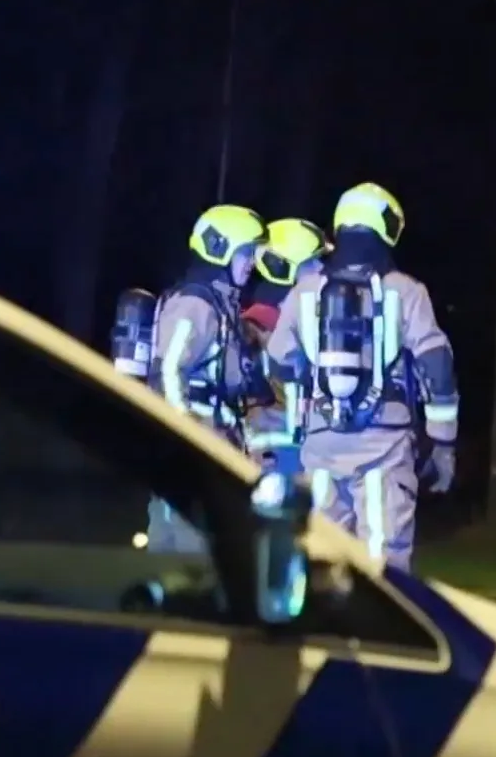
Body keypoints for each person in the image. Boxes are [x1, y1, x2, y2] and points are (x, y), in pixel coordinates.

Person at [265, 183, 459, 569]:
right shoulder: (406, 291)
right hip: (383, 448)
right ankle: (380, 628)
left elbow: (277, 363)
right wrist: (443, 442)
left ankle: (323, 627)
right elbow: (437, 366)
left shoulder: (305, 291)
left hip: (320, 446)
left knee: (321, 556)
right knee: (382, 563)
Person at [147, 203, 267, 553]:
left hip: (210, 445)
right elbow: (168, 370)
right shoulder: (195, 305)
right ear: (219, 249)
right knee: (190, 554)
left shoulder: (220, 303)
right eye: (246, 252)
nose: (252, 262)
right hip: (191, 451)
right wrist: (184, 437)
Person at [242, 217, 331, 473]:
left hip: (300, 447)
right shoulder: (264, 322)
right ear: (281, 267)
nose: (320, 268)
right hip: (276, 452)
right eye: (310, 262)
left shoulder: (300, 314)